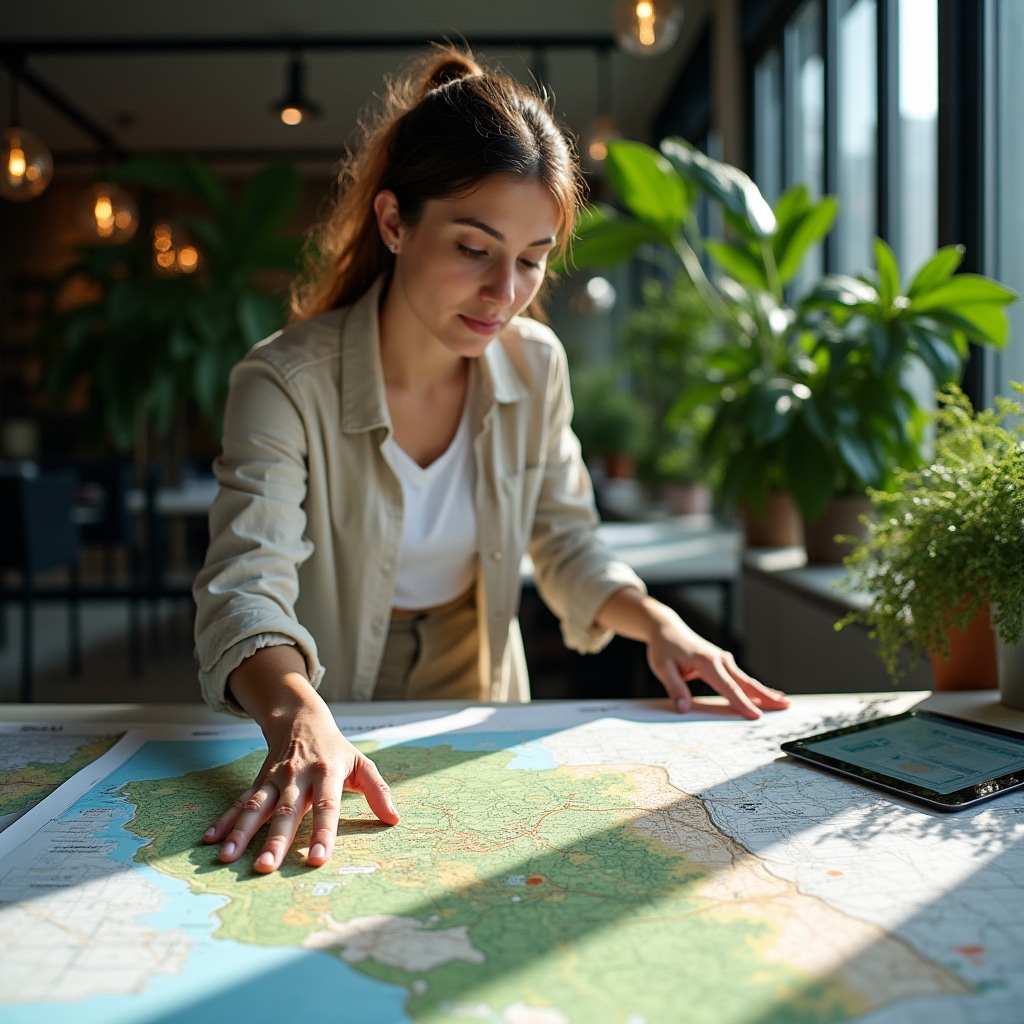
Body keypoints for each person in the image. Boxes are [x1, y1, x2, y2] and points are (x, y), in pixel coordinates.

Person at [193, 46, 789, 876]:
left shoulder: (537, 365)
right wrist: (296, 714)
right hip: (314, 690)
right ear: (395, 222)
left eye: (532, 259)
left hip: (475, 690)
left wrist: (658, 625)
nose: (506, 294)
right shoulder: (283, 381)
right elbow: (245, 583)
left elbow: (566, 539)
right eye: (474, 249)